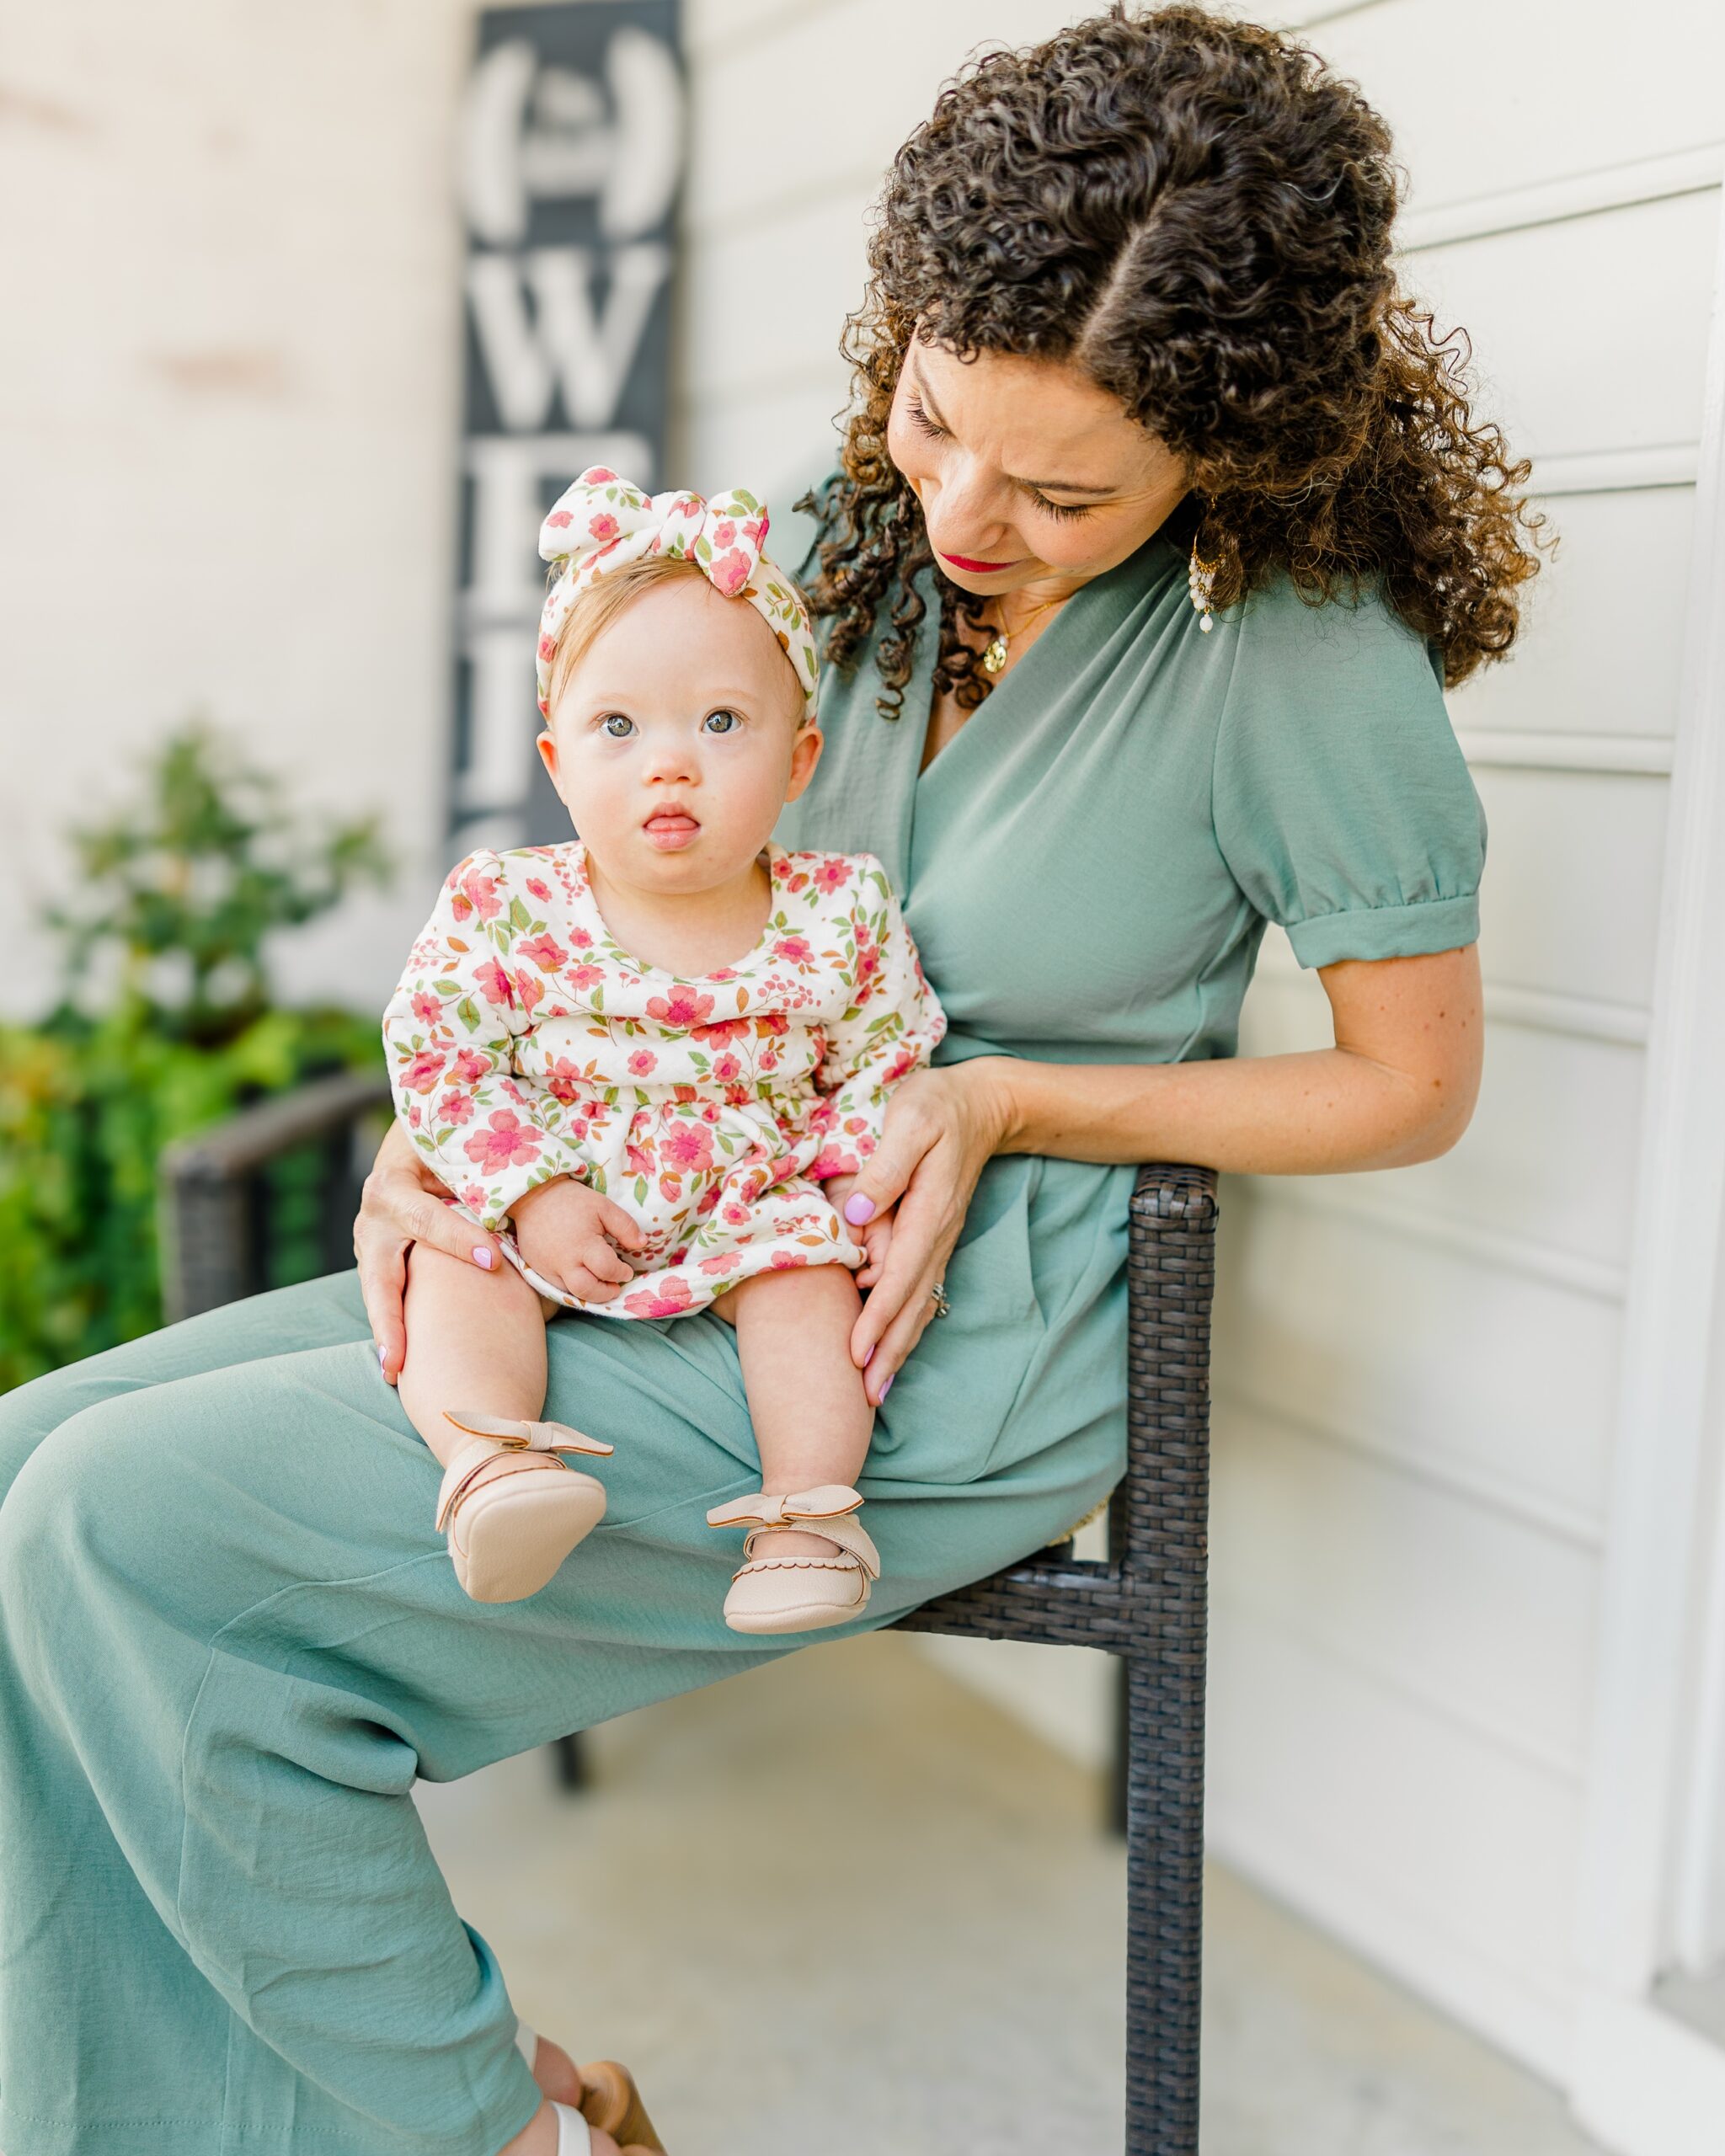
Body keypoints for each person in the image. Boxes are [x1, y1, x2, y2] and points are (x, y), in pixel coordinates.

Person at [0, 9, 1541, 2153]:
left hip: (927, 1334)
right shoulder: (842, 536)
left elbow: (1408, 1082)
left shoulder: (1296, 650)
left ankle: (487, 2134)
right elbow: (621, 832)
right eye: (930, 420)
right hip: (628, 1230)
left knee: (114, 1531)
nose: (965, 513)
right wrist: (456, 1144)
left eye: (1063, 483)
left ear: (1233, 444)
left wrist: (1011, 1099)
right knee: (20, 1468)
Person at [382, 468, 944, 1626]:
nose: (669, 762)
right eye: (618, 726)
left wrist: (837, 1188)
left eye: (722, 722)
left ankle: (809, 1518)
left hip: (753, 1193)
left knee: (807, 1293)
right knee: (456, 1266)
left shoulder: (839, 911)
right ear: (556, 761)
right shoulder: (504, 904)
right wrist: (529, 1186)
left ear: (798, 763)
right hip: (557, 1180)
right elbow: (438, 1054)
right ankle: (495, 1465)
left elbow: (883, 1063)